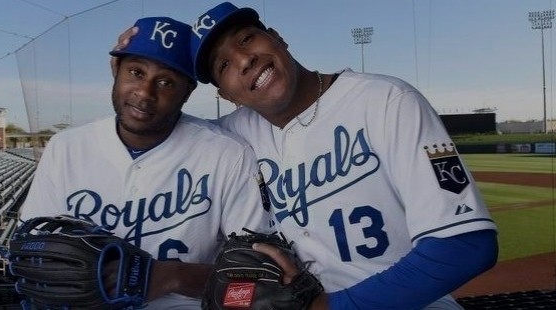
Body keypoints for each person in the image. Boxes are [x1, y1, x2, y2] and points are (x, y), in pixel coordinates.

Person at [113, 3, 499, 309]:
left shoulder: (385, 101)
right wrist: (126, 65)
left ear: (278, 38)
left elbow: (466, 244)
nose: (243, 60)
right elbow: (156, 118)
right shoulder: (230, 134)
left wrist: (330, 307)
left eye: (246, 39)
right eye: (224, 65)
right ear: (227, 95)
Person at [19, 16, 273, 309]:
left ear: (187, 91)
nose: (145, 93)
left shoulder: (226, 154)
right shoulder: (65, 148)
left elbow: (256, 285)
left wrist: (173, 276)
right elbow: (31, 254)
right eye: (136, 72)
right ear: (115, 68)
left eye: (166, 82)